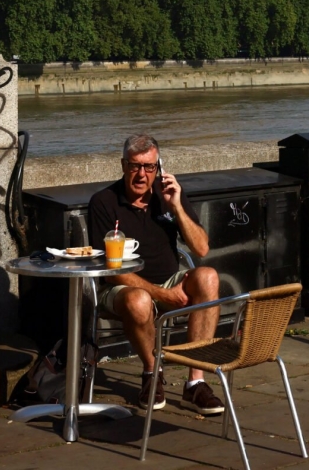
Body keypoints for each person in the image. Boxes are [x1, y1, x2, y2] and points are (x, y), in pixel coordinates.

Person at [87, 134, 224, 415]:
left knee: (208, 276)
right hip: (121, 286)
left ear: (158, 167)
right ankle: (152, 374)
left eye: (149, 167)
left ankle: (194, 384)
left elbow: (201, 247)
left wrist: (175, 206)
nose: (142, 174)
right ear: (123, 165)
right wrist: (161, 294)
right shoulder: (104, 201)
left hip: (169, 281)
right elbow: (112, 272)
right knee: (138, 300)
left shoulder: (168, 195)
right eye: (135, 166)